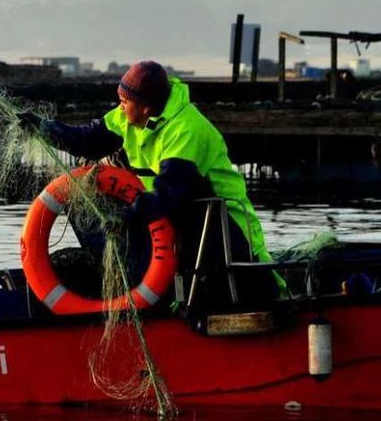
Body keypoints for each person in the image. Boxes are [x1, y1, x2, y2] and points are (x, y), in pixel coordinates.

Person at [19, 61, 282, 307]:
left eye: (124, 102)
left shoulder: (187, 130)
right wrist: (45, 129)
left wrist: (125, 217)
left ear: (145, 106)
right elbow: (87, 140)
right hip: (177, 220)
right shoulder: (127, 116)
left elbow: (169, 193)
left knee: (253, 288)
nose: (119, 107)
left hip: (223, 224)